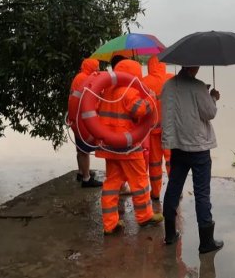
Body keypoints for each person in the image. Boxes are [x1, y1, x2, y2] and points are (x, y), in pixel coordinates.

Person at [95, 59, 164, 235]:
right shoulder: (129, 91)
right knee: (140, 180)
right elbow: (139, 110)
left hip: (110, 147)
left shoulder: (107, 91)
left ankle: (110, 223)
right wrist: (151, 97)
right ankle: (144, 216)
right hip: (128, 148)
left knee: (112, 182)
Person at [161, 66, 223, 253]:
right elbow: (209, 113)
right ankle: (206, 242)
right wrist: (212, 97)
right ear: (194, 66)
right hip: (198, 148)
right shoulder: (197, 87)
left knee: (173, 188)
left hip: (177, 146)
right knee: (202, 193)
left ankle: (170, 234)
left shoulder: (168, 86)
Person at [142, 56, 174, 199]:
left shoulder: (144, 82)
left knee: (155, 164)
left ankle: (155, 193)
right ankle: (175, 190)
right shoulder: (172, 79)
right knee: (171, 161)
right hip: (170, 130)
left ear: (149, 66)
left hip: (153, 130)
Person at [68, 58, 102, 188]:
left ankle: (82, 172)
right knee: (85, 150)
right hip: (82, 119)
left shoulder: (79, 77)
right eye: (97, 67)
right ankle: (87, 179)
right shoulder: (86, 79)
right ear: (92, 67)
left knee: (80, 148)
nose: (98, 69)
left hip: (75, 118)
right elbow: (89, 99)